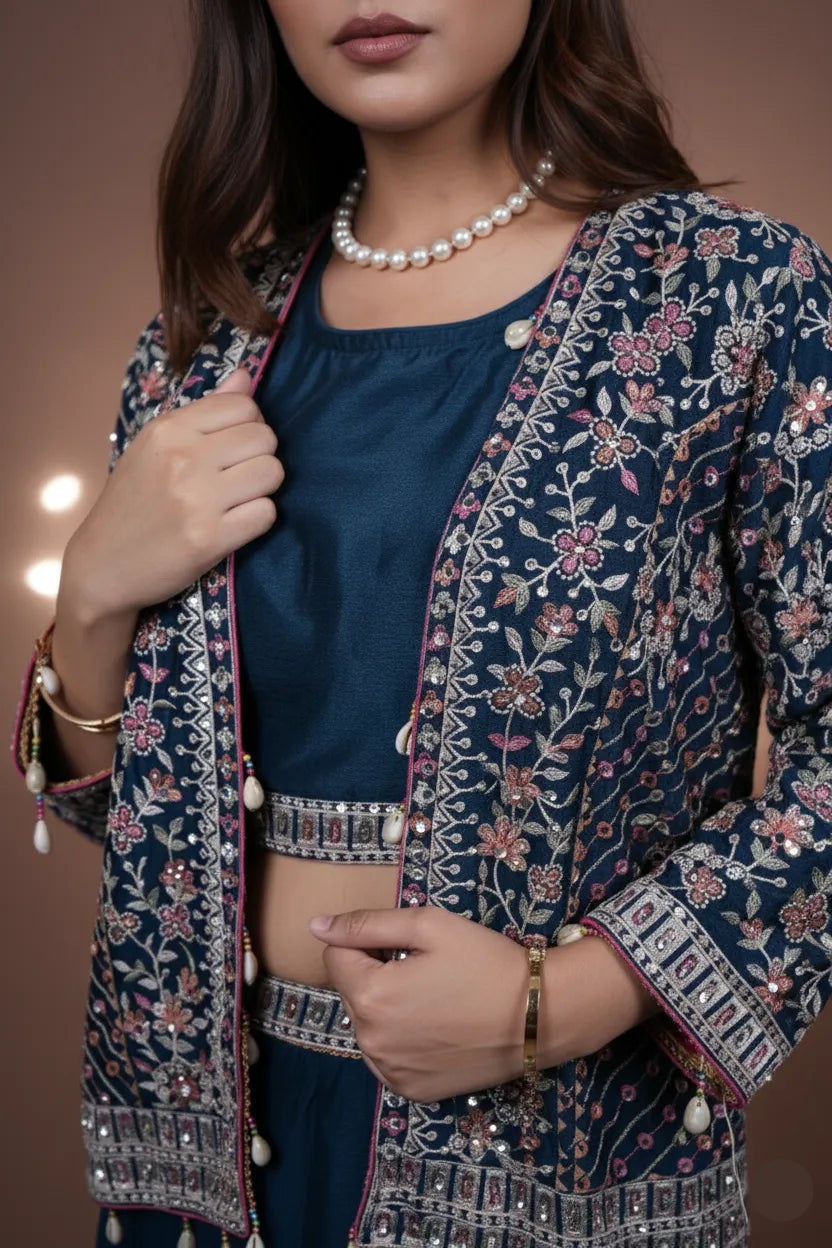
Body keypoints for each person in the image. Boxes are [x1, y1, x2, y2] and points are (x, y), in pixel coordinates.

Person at [11, 2, 832, 1246]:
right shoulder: (204, 346)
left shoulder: (731, 301)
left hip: (553, 1165)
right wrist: (90, 598)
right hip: (215, 1175)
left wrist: (562, 1000)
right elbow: (122, 818)